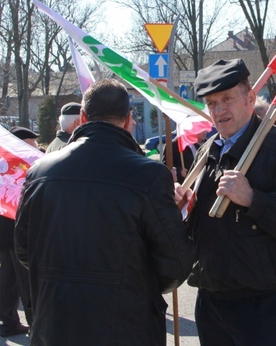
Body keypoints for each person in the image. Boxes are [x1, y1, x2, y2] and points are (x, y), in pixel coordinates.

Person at [15, 79, 195, 345]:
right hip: (126, 325)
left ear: (83, 118)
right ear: (128, 119)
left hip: (55, 323)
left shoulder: (40, 171)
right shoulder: (148, 175)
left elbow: (23, 248)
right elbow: (176, 263)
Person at [174, 58, 276, 345]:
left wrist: (254, 200)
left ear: (250, 97)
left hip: (262, 307)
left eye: (227, 99)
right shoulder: (208, 150)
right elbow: (203, 226)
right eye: (211, 103)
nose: (218, 111)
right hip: (212, 299)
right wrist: (183, 210)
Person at [0, 126, 37, 338]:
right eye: (31, 142)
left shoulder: (3, 165)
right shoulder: (17, 167)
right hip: (15, 232)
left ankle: (8, 321)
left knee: (8, 280)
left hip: (5, 232)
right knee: (24, 281)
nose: (35, 146)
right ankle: (32, 324)